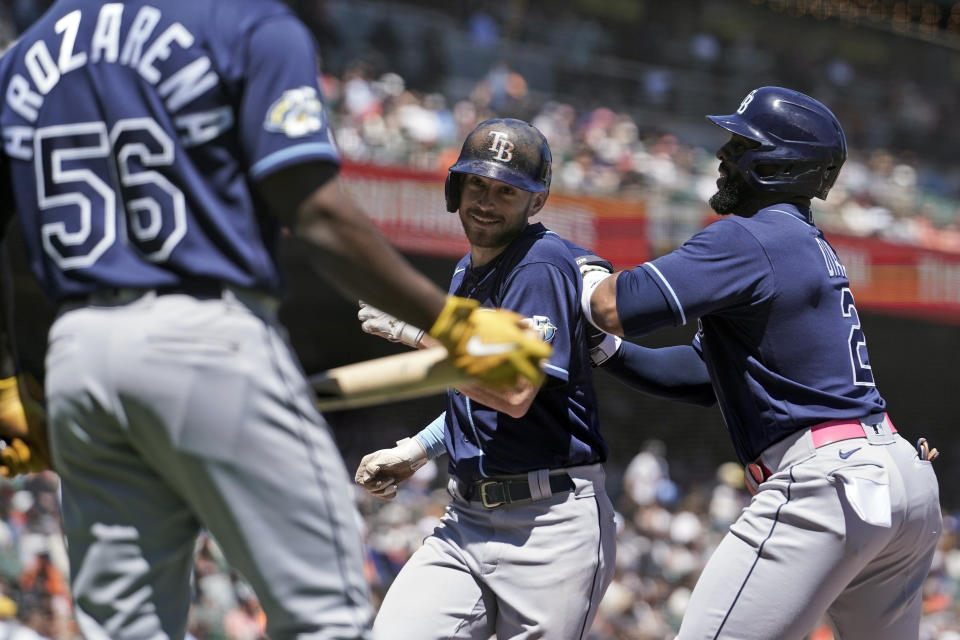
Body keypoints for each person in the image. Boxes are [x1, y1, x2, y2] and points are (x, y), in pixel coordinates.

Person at [0, 2, 551, 639]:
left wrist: (15, 379)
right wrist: (456, 325)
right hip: (205, 332)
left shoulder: (28, 53)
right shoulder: (247, 23)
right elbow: (314, 215)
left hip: (78, 354)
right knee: (324, 622)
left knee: (128, 629)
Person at [582, 86, 942, 640]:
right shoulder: (797, 240)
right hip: (897, 475)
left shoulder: (750, 236)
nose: (724, 156)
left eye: (741, 144)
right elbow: (705, 376)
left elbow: (613, 304)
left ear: (778, 165)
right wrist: (606, 353)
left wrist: (571, 271)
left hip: (830, 477)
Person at [354, 118, 617, 640]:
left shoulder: (539, 265)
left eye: (507, 190)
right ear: (457, 186)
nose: (487, 201)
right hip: (467, 517)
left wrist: (415, 330)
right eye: (478, 183)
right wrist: (417, 450)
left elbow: (513, 391)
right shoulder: (466, 271)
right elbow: (474, 396)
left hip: (550, 527)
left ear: (535, 202)